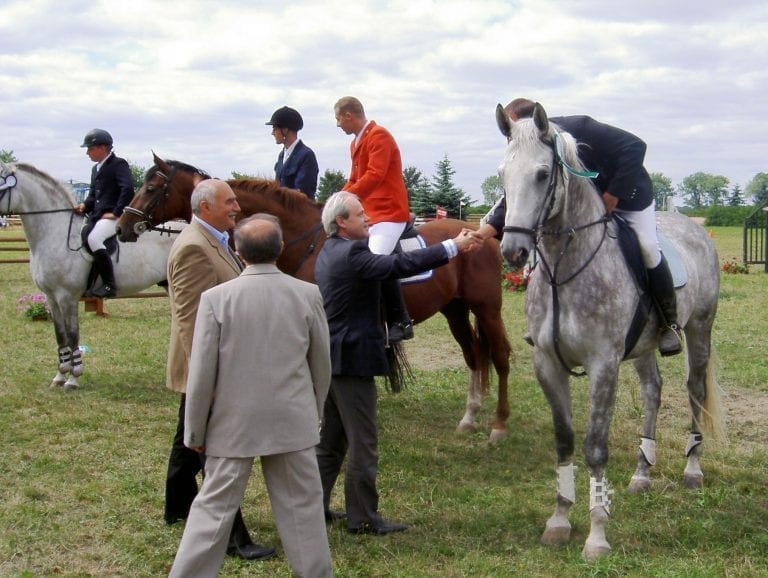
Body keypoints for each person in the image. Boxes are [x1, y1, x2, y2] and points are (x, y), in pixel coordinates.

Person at [169, 214, 333, 578]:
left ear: (238, 251)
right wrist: (314, 414)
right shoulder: (308, 295)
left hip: (232, 423)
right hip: (292, 419)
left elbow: (201, 374)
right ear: (279, 249)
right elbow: (321, 366)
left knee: (212, 510)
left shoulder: (215, 299)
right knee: (303, 510)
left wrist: (194, 431)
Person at [314, 191, 478, 535]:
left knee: (332, 441)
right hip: (352, 362)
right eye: (360, 215)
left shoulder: (329, 249)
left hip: (333, 359)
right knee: (363, 441)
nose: (368, 219)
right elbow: (397, 265)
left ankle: (315, 506)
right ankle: (361, 517)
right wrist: (452, 247)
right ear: (342, 222)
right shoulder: (355, 252)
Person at [476, 98, 682, 357]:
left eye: (513, 129)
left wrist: (614, 193)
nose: (514, 138)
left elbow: (635, 146)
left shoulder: (581, 128)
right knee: (554, 245)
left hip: (629, 197)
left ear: (530, 122)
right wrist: (490, 228)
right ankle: (546, 321)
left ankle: (668, 324)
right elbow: (523, 193)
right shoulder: (534, 151)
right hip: (589, 203)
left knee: (648, 247)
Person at [164, 179, 275, 561]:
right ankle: (231, 535)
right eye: (228, 202)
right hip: (207, 368)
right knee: (214, 451)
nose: (236, 208)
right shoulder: (195, 247)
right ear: (204, 206)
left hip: (213, 365)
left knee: (188, 436)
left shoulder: (216, 239)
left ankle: (177, 506)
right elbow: (191, 321)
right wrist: (204, 382)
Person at [333, 96, 413, 342]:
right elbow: (354, 179)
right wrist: (335, 200)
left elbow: (375, 176)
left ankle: (401, 319)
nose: (337, 125)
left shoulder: (379, 136)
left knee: (375, 260)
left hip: (389, 212)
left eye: (338, 119)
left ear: (349, 115)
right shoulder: (355, 143)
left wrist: (347, 197)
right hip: (369, 212)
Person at [74, 128, 134, 298]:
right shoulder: (95, 169)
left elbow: (127, 189)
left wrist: (116, 212)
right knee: (85, 235)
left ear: (102, 147)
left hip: (115, 217)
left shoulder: (118, 164)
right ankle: (92, 284)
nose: (87, 153)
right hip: (98, 216)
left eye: (90, 148)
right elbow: (93, 194)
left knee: (94, 239)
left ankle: (109, 285)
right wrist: (84, 206)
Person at [266, 106, 319, 199]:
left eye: (275, 129)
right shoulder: (282, 155)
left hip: (301, 210)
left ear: (285, 130)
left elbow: (302, 193)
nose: (272, 133)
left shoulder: (306, 155)